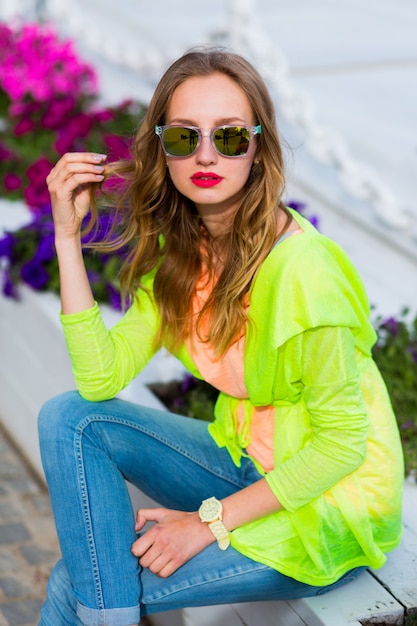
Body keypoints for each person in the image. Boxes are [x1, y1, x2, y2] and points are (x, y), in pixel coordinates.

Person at [38, 47, 404, 626]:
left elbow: (340, 446)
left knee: (74, 584)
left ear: (258, 148)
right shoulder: (183, 257)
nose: (206, 155)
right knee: (69, 418)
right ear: (163, 148)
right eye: (185, 137)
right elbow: (99, 378)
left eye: (229, 137)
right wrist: (65, 238)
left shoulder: (302, 269)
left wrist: (207, 522)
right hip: (249, 464)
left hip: (327, 506)